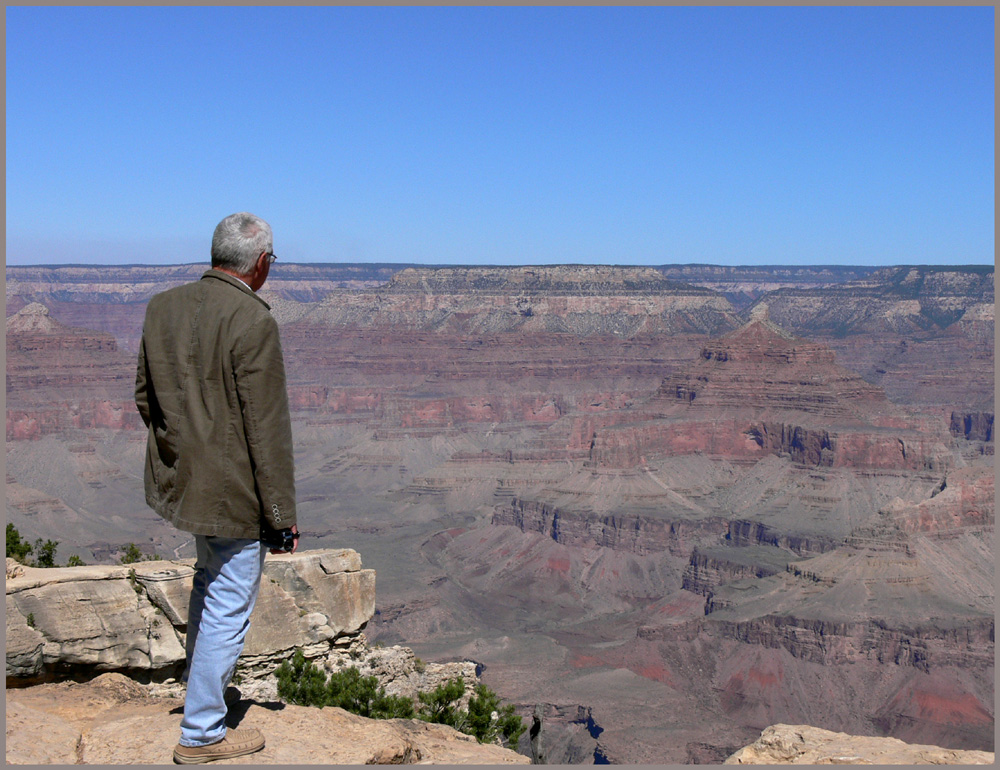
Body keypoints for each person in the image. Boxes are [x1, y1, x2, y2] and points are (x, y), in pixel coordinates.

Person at [135, 212, 299, 764]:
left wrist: (181, 452)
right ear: (261, 263)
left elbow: (145, 397)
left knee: (208, 583)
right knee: (230, 600)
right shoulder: (254, 321)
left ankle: (202, 697)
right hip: (233, 492)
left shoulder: (162, 307)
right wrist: (280, 515)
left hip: (186, 482)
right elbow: (266, 429)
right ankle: (203, 733)